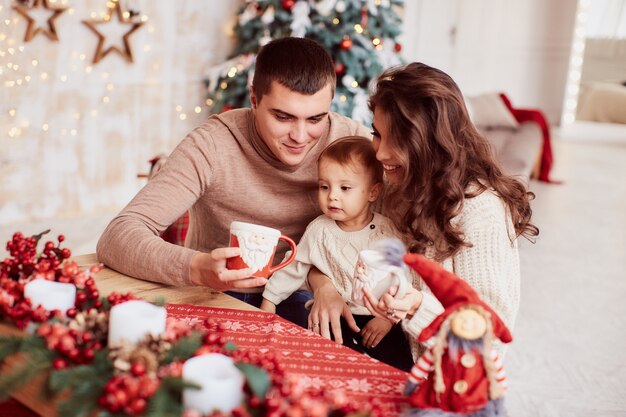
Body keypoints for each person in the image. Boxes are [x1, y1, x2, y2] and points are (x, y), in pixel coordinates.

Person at [96, 37, 370, 328]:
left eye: (316, 119)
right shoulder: (212, 144)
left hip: (307, 297)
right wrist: (196, 268)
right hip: (217, 294)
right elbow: (117, 236)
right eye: (283, 117)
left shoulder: (352, 143)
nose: (300, 136)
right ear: (254, 100)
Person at [307, 62, 539, 351]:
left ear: (427, 141)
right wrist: (324, 287)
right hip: (376, 342)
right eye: (377, 133)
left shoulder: (481, 210)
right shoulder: (393, 184)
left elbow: (488, 339)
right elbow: (327, 250)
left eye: (396, 139)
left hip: (437, 377)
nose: (379, 153)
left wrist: (416, 309)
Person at [259, 136, 414, 371]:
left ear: (372, 192)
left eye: (344, 188)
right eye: (324, 186)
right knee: (326, 362)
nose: (332, 196)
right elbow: (294, 266)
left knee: (398, 369)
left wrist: (386, 319)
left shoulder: (387, 230)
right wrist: (269, 301)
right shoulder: (319, 230)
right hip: (336, 314)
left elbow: (404, 277)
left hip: (381, 319)